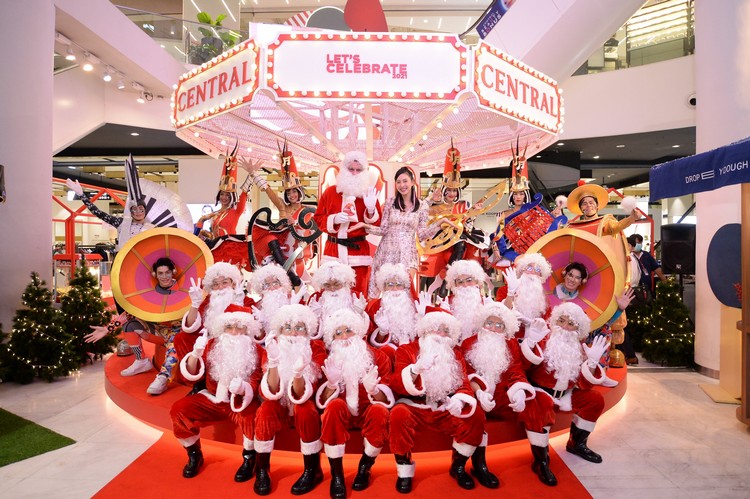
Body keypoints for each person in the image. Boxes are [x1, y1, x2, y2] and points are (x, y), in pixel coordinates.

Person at [462, 301, 559, 486]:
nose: (493, 328)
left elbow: (516, 371)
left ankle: (541, 462)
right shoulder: (468, 343)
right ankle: (479, 465)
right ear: (482, 322)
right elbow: (466, 374)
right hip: (478, 396)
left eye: (499, 325)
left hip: (502, 396)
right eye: (490, 323)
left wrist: (519, 391)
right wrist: (479, 393)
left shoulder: (510, 344)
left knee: (539, 401)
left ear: (506, 328)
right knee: (474, 412)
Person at [389, 310, 487, 493]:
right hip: (414, 406)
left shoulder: (455, 354)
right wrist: (414, 370)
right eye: (437, 329)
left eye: (446, 331)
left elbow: (464, 383)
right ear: (426, 330)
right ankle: (404, 471)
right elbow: (395, 384)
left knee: (476, 416)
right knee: (398, 414)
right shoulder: (406, 350)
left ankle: (458, 466)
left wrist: (460, 400)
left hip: (445, 406)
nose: (441, 334)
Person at [169, 306, 263, 480]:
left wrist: (243, 388)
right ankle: (194, 454)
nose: (234, 332)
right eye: (229, 327)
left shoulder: (257, 350)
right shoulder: (212, 345)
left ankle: (249, 459)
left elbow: (256, 381)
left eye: (239, 326)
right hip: (212, 398)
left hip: (241, 401)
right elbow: (193, 374)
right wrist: (195, 354)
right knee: (179, 409)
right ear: (222, 328)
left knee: (251, 417)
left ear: (247, 328)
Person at [317, 308, 394, 498]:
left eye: (348, 330)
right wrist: (331, 385)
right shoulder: (329, 359)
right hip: (342, 410)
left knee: (380, 412)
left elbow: (386, 399)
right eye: (338, 333)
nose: (344, 337)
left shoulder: (378, 357)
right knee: (332, 408)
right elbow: (322, 401)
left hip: (368, 409)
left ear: (358, 332)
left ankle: (365, 466)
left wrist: (374, 391)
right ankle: (337, 475)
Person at [520, 302, 608, 465]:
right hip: (540, 393)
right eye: (561, 321)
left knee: (595, 399)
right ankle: (541, 459)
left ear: (578, 328)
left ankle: (577, 444)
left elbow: (585, 385)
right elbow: (524, 366)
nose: (565, 326)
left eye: (571, 323)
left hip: (565, 396)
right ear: (554, 321)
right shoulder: (543, 339)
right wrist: (530, 343)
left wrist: (592, 363)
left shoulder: (578, 349)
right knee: (543, 404)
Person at [253, 304, 327, 496]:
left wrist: (298, 373)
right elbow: (270, 391)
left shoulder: (316, 348)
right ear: (280, 330)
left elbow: (303, 393)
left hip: (303, 403)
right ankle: (262, 469)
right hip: (279, 404)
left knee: (305, 409)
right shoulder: (273, 347)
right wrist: (273, 362)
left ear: (307, 330)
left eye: (299, 327)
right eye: (288, 327)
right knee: (265, 409)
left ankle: (313, 470)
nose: (293, 333)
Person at [85, 257, 182, 396]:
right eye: (160, 273)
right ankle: (141, 361)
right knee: (130, 325)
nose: (164, 276)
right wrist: (107, 329)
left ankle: (163, 377)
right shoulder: (152, 292)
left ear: (173, 272)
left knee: (176, 340)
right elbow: (130, 313)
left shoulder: (184, 291)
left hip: (176, 332)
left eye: (167, 272)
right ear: (155, 274)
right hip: (157, 333)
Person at [361, 166, 443, 298]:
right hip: (386, 252)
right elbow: (383, 229)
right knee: (379, 293)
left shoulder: (422, 206)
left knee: (403, 294)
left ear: (412, 182)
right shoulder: (390, 202)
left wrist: (438, 225)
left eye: (405, 181)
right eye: (398, 182)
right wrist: (365, 226)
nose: (402, 185)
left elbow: (422, 235)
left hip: (407, 254)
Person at [240, 142, 312, 287]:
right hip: (279, 250)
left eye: (294, 191)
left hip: (296, 251)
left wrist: (294, 225)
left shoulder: (308, 211)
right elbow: (268, 191)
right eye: (288, 192)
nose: (291, 195)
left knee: (301, 282)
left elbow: (308, 234)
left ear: (300, 192)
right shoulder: (282, 207)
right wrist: (253, 173)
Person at [313, 151, 382, 296]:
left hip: (358, 253)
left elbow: (377, 225)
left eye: (358, 170)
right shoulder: (330, 192)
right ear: (344, 169)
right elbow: (318, 218)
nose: (354, 173)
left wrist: (371, 210)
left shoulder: (368, 194)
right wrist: (334, 219)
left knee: (358, 296)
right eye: (351, 169)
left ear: (364, 172)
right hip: (333, 252)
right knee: (331, 294)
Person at [425, 143, 488, 298]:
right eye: (449, 190)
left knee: (465, 244)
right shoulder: (435, 207)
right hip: (441, 238)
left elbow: (468, 223)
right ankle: (443, 283)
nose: (452, 193)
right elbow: (426, 221)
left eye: (454, 190)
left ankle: (451, 282)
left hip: (460, 236)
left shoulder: (463, 205)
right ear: (444, 190)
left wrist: (474, 212)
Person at [174, 261, 254, 364]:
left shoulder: (245, 300)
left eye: (224, 283)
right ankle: (194, 371)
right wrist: (195, 304)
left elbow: (252, 328)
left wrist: (238, 304)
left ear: (233, 284)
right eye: (216, 284)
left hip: (236, 341)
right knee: (181, 338)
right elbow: (190, 326)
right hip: (210, 340)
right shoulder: (209, 301)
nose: (220, 287)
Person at [66, 178, 154, 251]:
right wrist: (81, 195)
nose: (138, 212)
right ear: (131, 212)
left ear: (145, 211)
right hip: (122, 261)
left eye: (141, 209)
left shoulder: (152, 228)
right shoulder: (121, 223)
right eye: (134, 209)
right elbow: (98, 212)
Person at [194, 146, 255, 239]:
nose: (224, 197)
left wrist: (252, 174)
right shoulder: (214, 214)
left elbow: (244, 193)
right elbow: (196, 236)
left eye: (227, 195)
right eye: (222, 194)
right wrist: (201, 220)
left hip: (231, 245)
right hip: (217, 246)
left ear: (232, 197)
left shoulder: (236, 211)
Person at [364, 263, 419, 359]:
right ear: (384, 287)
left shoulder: (415, 305)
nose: (395, 289)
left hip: (413, 351)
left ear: (405, 286)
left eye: (399, 284)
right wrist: (382, 332)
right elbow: (372, 343)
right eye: (390, 285)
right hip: (388, 353)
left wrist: (422, 319)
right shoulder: (376, 307)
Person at [307, 261, 367, 337]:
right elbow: (307, 330)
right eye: (327, 285)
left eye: (337, 284)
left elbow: (368, 331)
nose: (332, 289)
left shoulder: (356, 297)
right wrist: (314, 317)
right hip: (323, 340)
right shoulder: (316, 298)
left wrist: (361, 314)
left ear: (344, 282)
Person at [248, 263, 307, 339]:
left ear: (282, 284)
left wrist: (292, 307)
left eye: (275, 283)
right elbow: (259, 337)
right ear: (261, 289)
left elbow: (303, 329)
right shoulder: (258, 308)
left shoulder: (293, 299)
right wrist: (261, 323)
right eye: (266, 285)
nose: (272, 288)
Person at [444, 259, 490, 343]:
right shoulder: (447, 302)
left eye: (469, 280)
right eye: (460, 282)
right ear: (454, 284)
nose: (465, 285)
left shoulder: (485, 302)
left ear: (476, 281)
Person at [502, 252, 554, 323]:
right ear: (521, 270)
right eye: (529, 268)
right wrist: (510, 293)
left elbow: (546, 323)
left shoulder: (544, 301)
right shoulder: (504, 291)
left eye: (537, 269)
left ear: (540, 275)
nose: (533, 271)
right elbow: (501, 314)